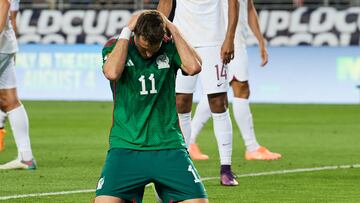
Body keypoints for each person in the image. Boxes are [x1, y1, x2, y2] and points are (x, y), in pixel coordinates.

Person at [94, 10, 208, 203]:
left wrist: (173, 28)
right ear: (135, 34)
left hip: (168, 145)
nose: (148, 53)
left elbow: (194, 66)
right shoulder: (116, 46)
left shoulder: (169, 47)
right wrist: (126, 30)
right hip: (126, 146)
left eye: (153, 49)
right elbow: (112, 73)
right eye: (144, 48)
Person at [158, 0, 239, 186]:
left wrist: (230, 37)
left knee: (218, 102)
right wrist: (160, 34)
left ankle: (226, 168)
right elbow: (165, 4)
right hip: (181, 38)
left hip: (214, 40)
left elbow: (233, 4)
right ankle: (183, 165)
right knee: (181, 101)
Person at [189, 0, 282, 161]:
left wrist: (261, 41)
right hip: (228, 41)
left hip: (237, 40)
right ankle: (251, 148)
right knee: (237, 89)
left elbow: (249, 8)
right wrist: (228, 38)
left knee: (219, 91)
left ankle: (190, 141)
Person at [0, 0, 36, 170]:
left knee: (9, 101)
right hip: (6, 46)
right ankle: (26, 157)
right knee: (10, 101)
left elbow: (4, 4)